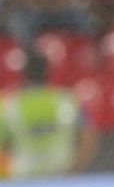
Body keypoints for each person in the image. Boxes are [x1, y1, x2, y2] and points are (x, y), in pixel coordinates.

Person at [0, 49, 98, 179]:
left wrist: (6, 175)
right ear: (47, 73)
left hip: (23, 179)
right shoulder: (68, 100)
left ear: (23, 75)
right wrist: (75, 169)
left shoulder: (8, 104)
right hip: (61, 176)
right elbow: (89, 136)